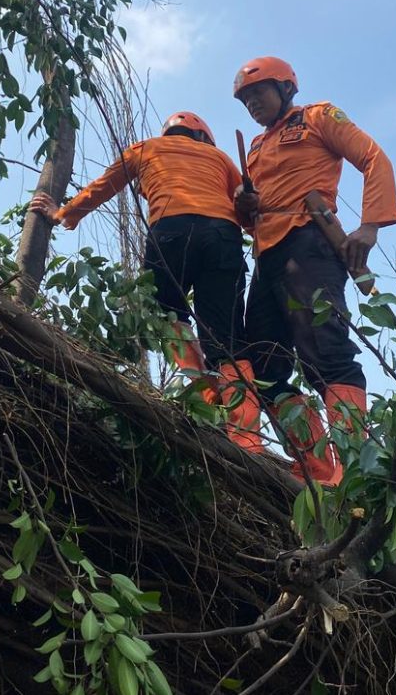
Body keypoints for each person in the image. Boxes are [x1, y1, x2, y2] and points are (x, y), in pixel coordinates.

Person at [29, 111, 264, 452]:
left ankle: (206, 393)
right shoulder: (220, 157)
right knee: (228, 339)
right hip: (222, 238)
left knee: (164, 312)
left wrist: (64, 213)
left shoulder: (146, 148)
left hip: (171, 230)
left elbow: (104, 185)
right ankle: (248, 440)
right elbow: (244, 208)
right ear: (203, 136)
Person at [232, 56, 396, 484]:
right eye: (245, 99)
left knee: (326, 354)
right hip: (267, 255)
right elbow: (251, 216)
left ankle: (356, 471)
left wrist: (370, 225)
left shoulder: (317, 117)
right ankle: (317, 465)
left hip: (309, 243)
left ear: (286, 88)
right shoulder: (254, 148)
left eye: (259, 93)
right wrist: (244, 206)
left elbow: (373, 157)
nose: (252, 103)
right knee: (265, 364)